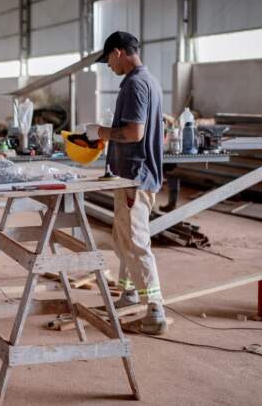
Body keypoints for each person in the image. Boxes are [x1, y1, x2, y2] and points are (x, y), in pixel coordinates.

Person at [85, 31, 167, 335]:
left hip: (135, 176)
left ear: (119, 52)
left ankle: (156, 311)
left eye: (108, 58)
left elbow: (134, 133)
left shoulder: (134, 84)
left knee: (135, 242)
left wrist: (101, 133)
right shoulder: (149, 81)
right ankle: (129, 293)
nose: (107, 65)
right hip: (133, 175)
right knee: (124, 241)